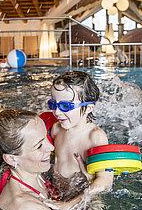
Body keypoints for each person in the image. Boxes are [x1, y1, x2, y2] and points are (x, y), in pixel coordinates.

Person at [0, 103, 82, 210]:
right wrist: (85, 196)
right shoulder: (27, 206)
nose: (51, 147)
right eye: (39, 146)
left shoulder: (32, 172)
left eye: (45, 136)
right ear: (12, 158)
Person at [47, 71, 114, 203]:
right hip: (56, 190)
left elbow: (105, 181)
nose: (57, 112)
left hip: (84, 195)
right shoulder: (56, 129)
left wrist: (70, 205)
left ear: (88, 107)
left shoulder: (95, 137)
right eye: (53, 104)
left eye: (65, 106)